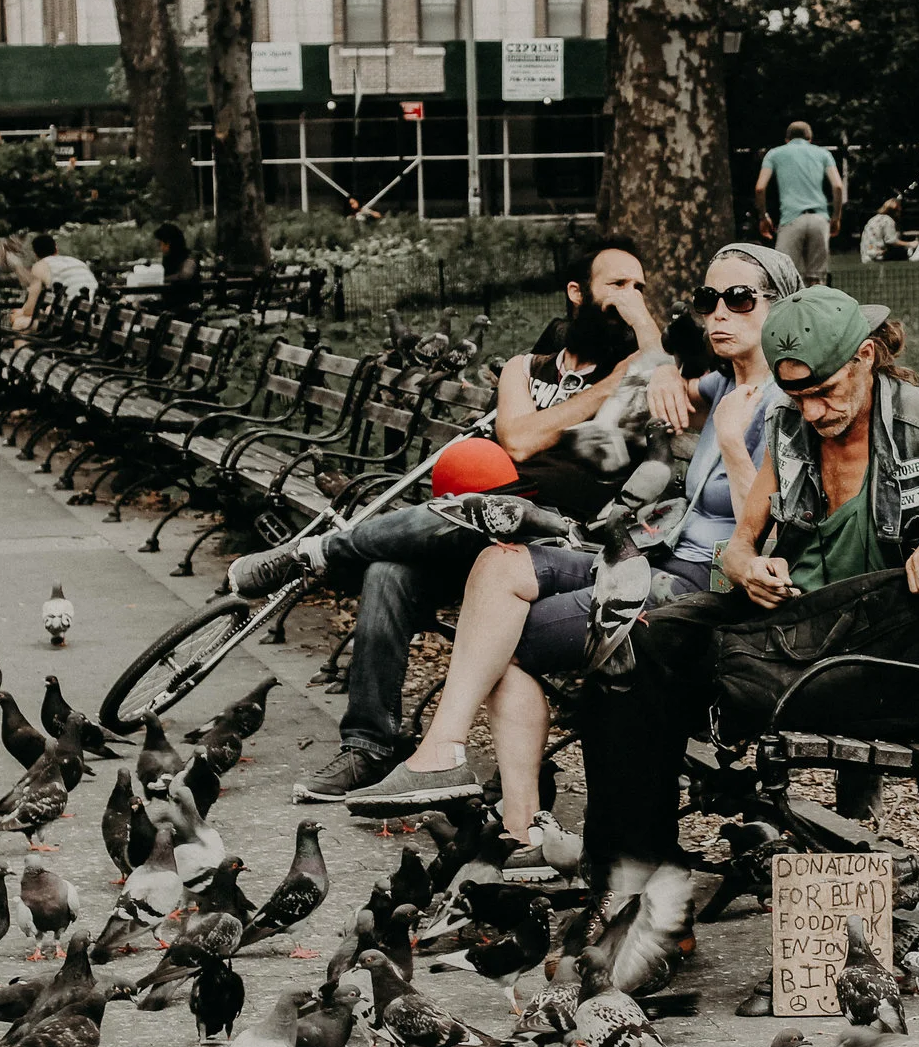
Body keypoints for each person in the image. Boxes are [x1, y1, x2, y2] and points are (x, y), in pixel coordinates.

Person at [577, 286, 919, 871]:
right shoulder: (790, 422)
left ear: (865, 357)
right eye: (799, 397)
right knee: (631, 647)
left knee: (688, 668)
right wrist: (747, 567)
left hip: (885, 656)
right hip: (798, 628)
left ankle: (639, 869)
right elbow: (740, 546)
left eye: (825, 392)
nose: (814, 413)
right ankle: (634, 868)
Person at [343, 243, 805, 833]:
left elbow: (764, 533)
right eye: (707, 297)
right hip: (654, 554)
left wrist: (735, 444)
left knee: (502, 640)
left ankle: (519, 827)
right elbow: (656, 373)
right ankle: (445, 753)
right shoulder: (723, 384)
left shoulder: (788, 403)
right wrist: (666, 369)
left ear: (781, 306)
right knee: (500, 564)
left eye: (738, 299)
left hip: (708, 586)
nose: (717, 312)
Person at [224, 235, 673, 802]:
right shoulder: (523, 369)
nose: (629, 298)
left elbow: (662, 365)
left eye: (639, 288)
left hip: (559, 540)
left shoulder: (641, 374)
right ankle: (369, 745)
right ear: (576, 292)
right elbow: (517, 438)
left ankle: (312, 555)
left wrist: (636, 335)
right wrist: (603, 389)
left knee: (481, 515)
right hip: (482, 522)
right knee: (388, 573)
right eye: (617, 285)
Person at [755, 121, 844, 286]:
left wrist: (763, 217)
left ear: (787, 139)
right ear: (810, 138)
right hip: (819, 220)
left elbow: (760, 188)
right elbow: (838, 186)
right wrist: (836, 217)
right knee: (817, 279)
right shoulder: (823, 154)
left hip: (791, 219)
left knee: (784, 276)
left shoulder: (774, 154)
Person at [9, 232, 97, 332]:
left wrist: (21, 312)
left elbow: (30, 309)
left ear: (35, 254)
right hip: (91, 319)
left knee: (19, 323)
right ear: (56, 248)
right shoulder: (78, 263)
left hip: (69, 321)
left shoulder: (40, 266)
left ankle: (19, 343)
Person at [154, 222, 201, 313]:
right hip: (169, 304)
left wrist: (160, 279)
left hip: (187, 306)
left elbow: (185, 275)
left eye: (160, 244)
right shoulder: (168, 259)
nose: (160, 248)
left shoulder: (190, 257)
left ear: (169, 243)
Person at [860, 196, 909, 264]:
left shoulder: (874, 218)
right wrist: (909, 244)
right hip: (877, 255)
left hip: (865, 255)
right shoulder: (888, 220)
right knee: (903, 252)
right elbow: (891, 241)